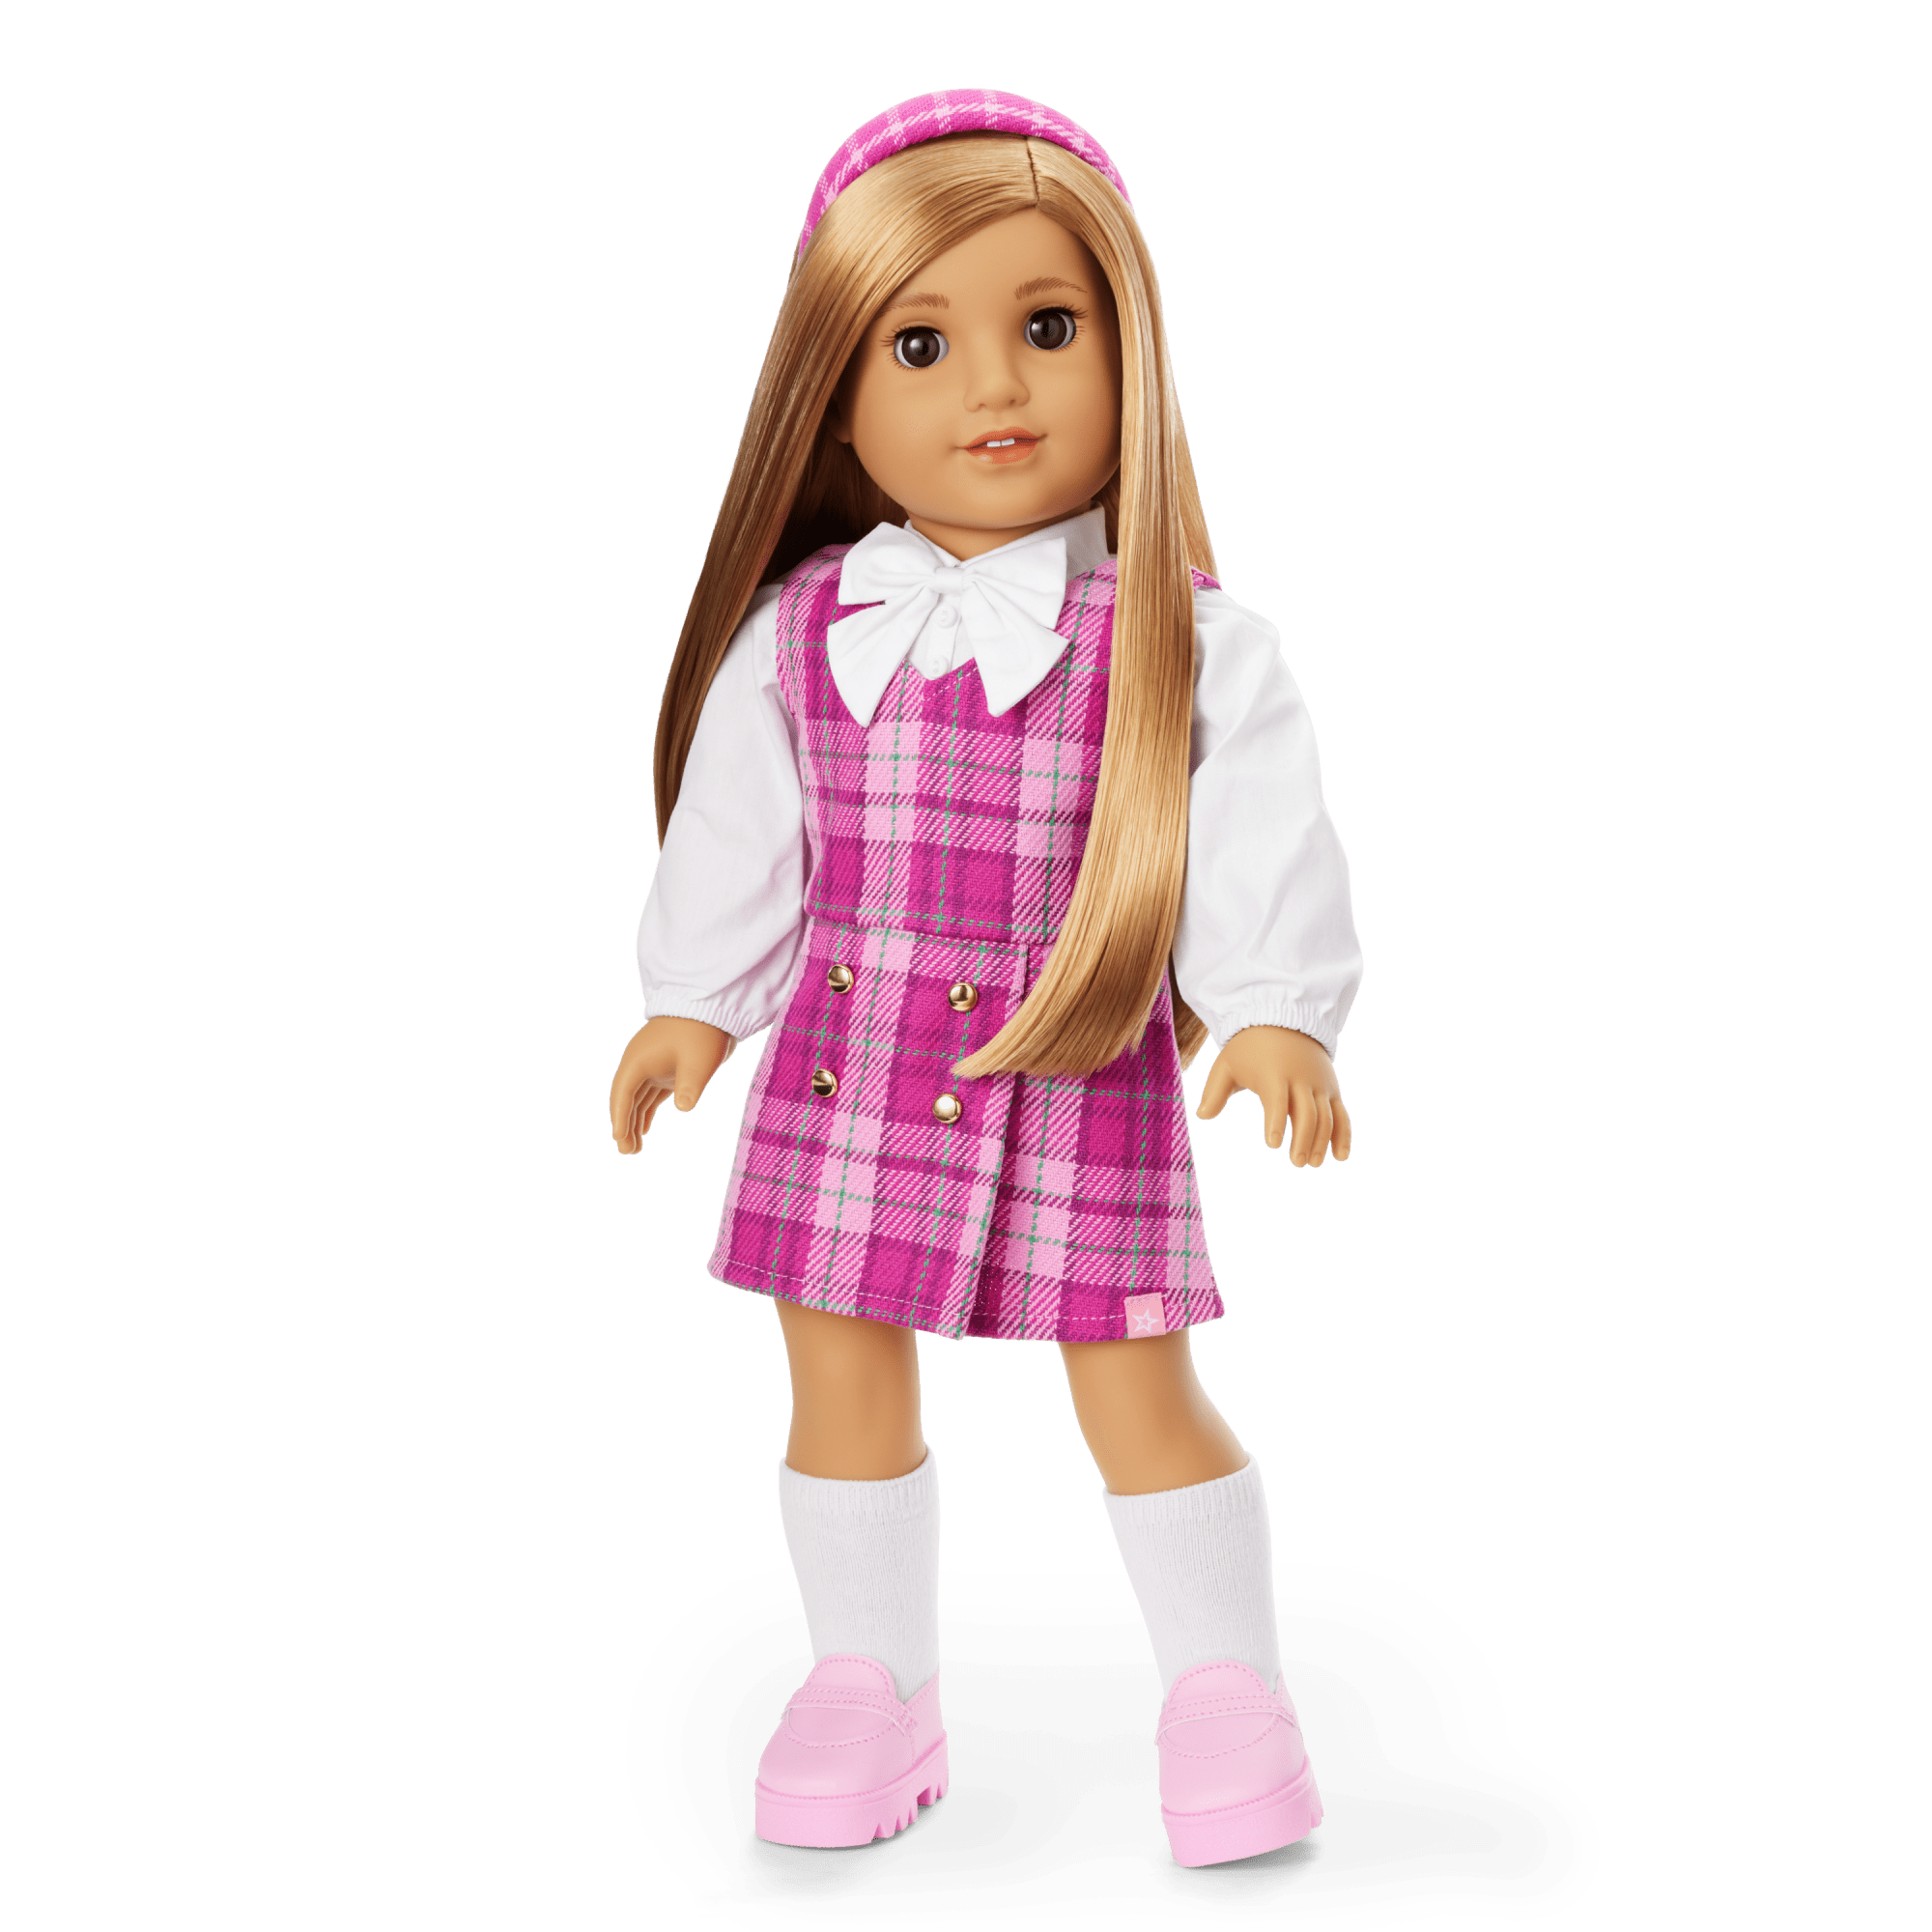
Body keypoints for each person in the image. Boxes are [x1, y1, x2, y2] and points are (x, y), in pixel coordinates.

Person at [608, 91, 1363, 1869]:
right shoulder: (801, 632)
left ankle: (1229, 1685)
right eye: (921, 345)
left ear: (1130, 351)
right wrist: (690, 1003)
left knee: (1137, 1384)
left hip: (1074, 1060)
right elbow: (741, 839)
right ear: (834, 398)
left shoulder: (1182, 641)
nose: (995, 389)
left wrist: (1273, 1012)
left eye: (1048, 326)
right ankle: (867, 1679)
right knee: (836, 1373)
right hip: (848, 1063)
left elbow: (1261, 831)